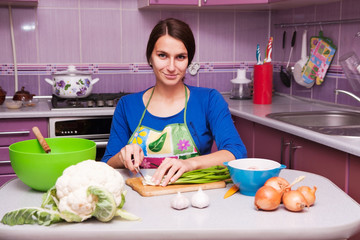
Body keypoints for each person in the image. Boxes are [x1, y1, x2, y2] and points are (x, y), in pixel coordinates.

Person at [102, 18, 246, 186]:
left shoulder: (209, 100)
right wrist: (121, 156)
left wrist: (189, 164)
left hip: (193, 197)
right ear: (150, 58)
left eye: (180, 57)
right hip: (143, 197)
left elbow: (236, 153)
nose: (171, 67)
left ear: (188, 60)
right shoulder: (127, 105)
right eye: (162, 55)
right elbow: (106, 165)